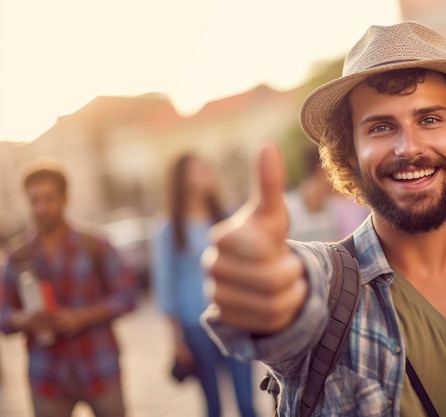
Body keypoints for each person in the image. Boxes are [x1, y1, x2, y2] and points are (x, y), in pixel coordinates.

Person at [202, 22, 446, 416]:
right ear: (351, 153)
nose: (408, 148)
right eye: (380, 127)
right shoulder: (327, 291)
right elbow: (292, 296)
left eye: (429, 119)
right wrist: (264, 283)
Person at [0, 159, 137, 417]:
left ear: (65, 199)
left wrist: (81, 317)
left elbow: (127, 296)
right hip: (47, 374)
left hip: (99, 366)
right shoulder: (17, 256)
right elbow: (3, 313)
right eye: (34, 200)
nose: (41, 207)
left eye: (48, 199)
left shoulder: (95, 244)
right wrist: (25, 319)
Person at [150, 153, 257, 417]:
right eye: (199, 170)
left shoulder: (228, 215)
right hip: (195, 326)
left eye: (207, 167)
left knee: (247, 403)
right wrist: (176, 340)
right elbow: (165, 286)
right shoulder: (167, 228)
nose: (207, 173)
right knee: (213, 407)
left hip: (235, 320)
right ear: (182, 180)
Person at [285, 146, 370, 242]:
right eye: (335, 169)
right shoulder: (288, 209)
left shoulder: (334, 209)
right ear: (323, 170)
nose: (341, 174)